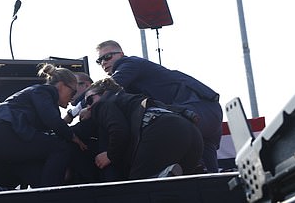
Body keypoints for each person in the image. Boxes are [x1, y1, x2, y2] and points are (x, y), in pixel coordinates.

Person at [0, 63, 87, 194]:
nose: (73, 97)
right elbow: (51, 120)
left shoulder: (28, 96)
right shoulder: (44, 91)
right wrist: (72, 137)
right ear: (62, 86)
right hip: (2, 132)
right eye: (73, 91)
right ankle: (48, 194)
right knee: (60, 147)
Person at [95, 40, 223, 173]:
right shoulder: (130, 80)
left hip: (196, 109)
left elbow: (108, 87)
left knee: (167, 131)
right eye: (99, 61)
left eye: (107, 57)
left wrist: (78, 108)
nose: (104, 62)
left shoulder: (129, 63)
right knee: (209, 176)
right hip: (205, 113)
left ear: (121, 54)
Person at [85, 77, 203, 180]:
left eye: (89, 100)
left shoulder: (103, 103)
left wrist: (110, 155)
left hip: (160, 129)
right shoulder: (132, 99)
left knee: (139, 189)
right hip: (192, 131)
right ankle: (164, 176)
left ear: (105, 93)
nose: (89, 107)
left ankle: (161, 177)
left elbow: (119, 129)